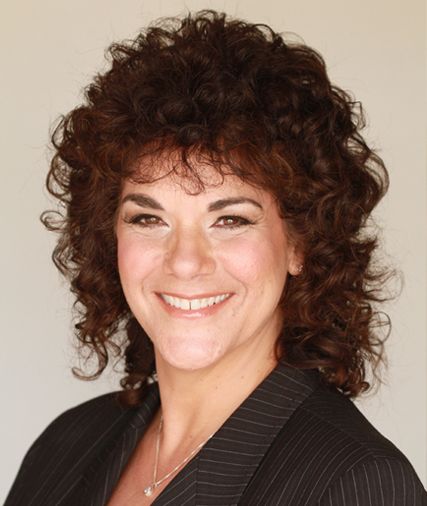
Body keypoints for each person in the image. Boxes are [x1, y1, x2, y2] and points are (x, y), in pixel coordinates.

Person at [5, 10, 426, 506]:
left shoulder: (356, 484)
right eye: (148, 218)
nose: (185, 262)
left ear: (300, 242)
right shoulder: (67, 443)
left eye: (230, 220)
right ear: (109, 235)